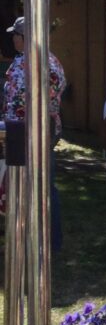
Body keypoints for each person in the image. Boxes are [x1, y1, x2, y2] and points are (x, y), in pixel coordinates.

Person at [4, 16, 67, 251]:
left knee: (43, 186)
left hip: (35, 134)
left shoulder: (45, 63)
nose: (13, 38)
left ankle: (50, 241)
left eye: (16, 35)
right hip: (17, 133)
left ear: (26, 37)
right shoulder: (22, 61)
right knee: (21, 187)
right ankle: (25, 239)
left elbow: (41, 101)